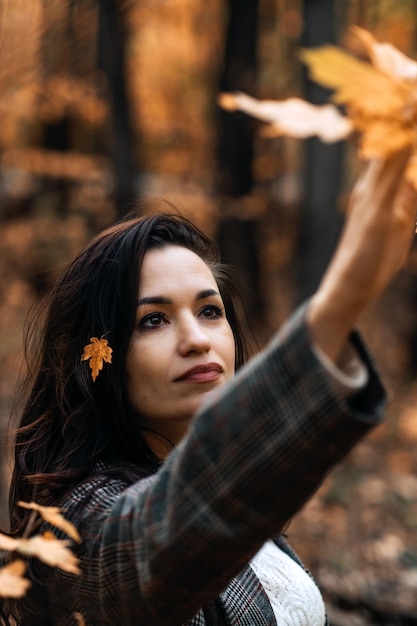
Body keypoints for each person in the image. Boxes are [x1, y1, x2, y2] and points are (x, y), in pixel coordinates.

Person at [2, 147, 416, 626]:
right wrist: (341, 302)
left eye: (209, 311)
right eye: (153, 320)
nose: (198, 340)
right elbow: (158, 544)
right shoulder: (73, 527)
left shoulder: (235, 500)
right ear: (97, 362)